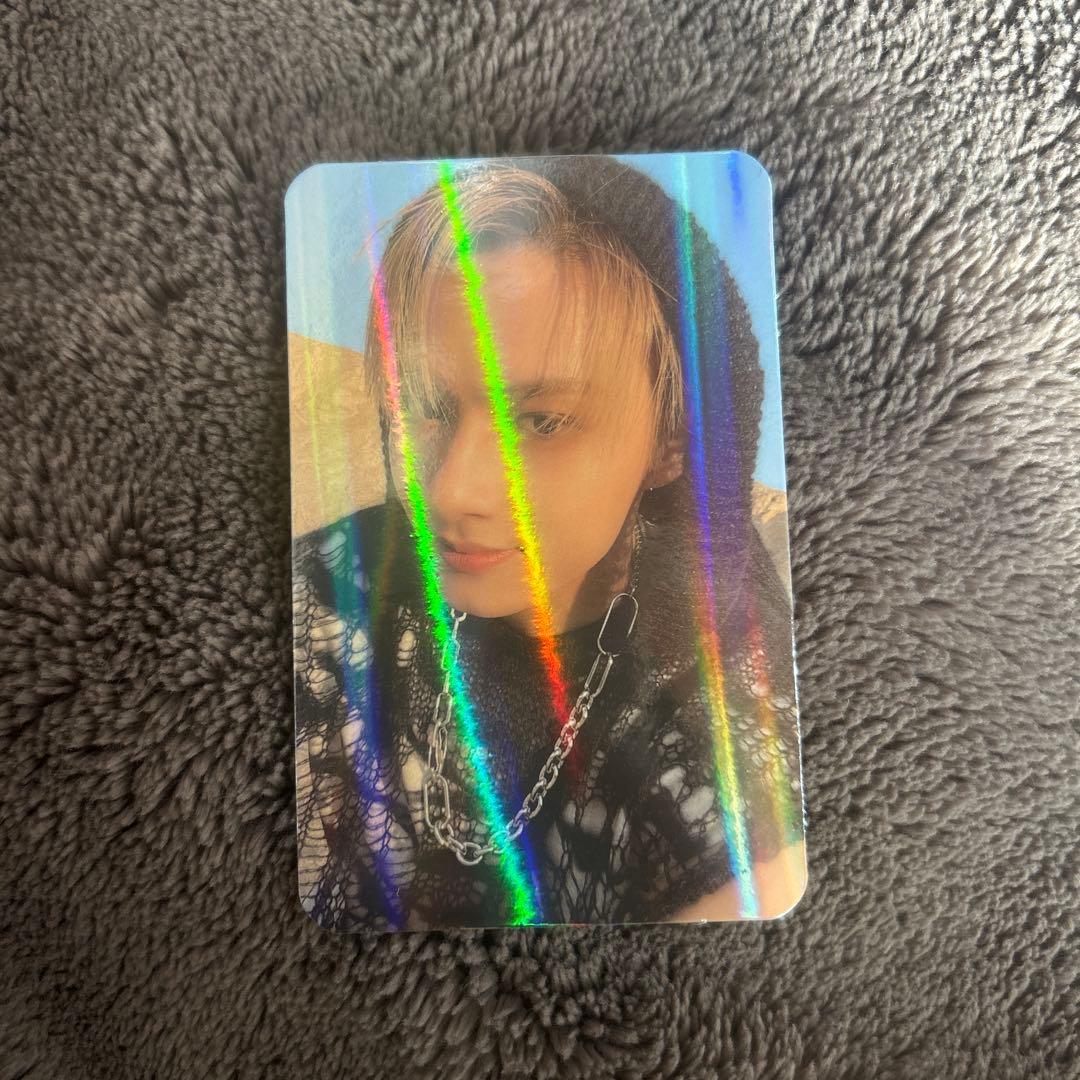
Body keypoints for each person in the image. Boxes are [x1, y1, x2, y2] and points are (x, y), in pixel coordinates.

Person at [292, 156, 805, 931]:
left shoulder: (721, 745)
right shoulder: (332, 585)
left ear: (672, 440)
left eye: (543, 421)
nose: (449, 492)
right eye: (426, 405)